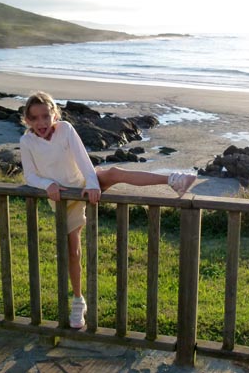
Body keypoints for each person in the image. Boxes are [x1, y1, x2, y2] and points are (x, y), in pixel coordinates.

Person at [19, 91, 196, 329]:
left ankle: (173, 180)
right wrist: (47, 184)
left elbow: (83, 161)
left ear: (55, 115)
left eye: (45, 116)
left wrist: (93, 184)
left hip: (83, 185)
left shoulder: (66, 129)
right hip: (63, 200)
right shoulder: (27, 142)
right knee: (73, 252)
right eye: (35, 118)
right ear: (28, 120)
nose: (41, 122)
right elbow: (30, 176)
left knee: (114, 173)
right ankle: (78, 300)